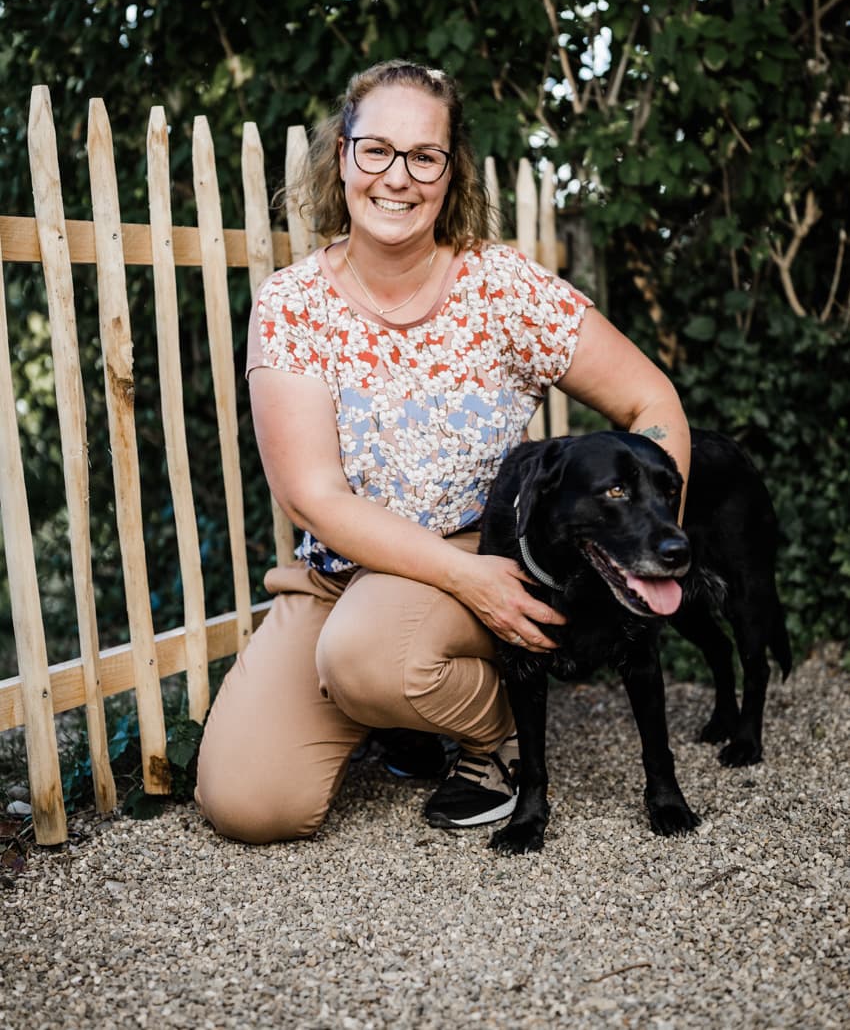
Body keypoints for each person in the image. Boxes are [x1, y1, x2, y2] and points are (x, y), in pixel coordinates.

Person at [194, 59, 690, 843]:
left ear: (451, 171)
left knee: (368, 658)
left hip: (478, 546)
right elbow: (314, 498)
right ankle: (410, 711)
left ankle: (490, 737)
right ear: (342, 157)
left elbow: (650, 399)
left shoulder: (501, 287)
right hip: (338, 573)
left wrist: (648, 536)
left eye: (425, 156)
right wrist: (465, 582)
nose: (400, 177)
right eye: (377, 150)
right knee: (249, 802)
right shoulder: (292, 305)